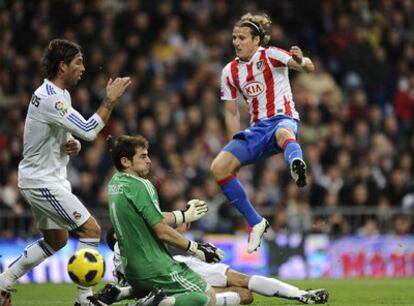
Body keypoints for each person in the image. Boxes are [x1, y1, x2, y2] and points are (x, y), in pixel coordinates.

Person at [0, 38, 131, 306]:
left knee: (57, 240)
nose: (83, 68)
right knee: (91, 230)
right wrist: (109, 100)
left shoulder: (60, 96)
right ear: (62, 66)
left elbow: (67, 134)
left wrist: (70, 143)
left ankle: (5, 281)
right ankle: (84, 300)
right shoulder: (51, 99)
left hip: (44, 178)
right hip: (42, 181)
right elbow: (89, 130)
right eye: (78, 62)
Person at [210, 13, 315, 253]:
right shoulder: (229, 72)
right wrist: (233, 145)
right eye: (234, 37)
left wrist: (301, 60)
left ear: (256, 40)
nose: (236, 42)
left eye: (242, 38)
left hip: (283, 118)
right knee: (218, 167)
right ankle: (256, 222)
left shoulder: (271, 55)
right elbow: (231, 112)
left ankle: (295, 162)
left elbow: (309, 67)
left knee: (283, 132)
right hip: (256, 129)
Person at [106, 134, 225, 306]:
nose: (149, 160)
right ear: (126, 161)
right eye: (143, 156)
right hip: (155, 266)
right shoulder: (141, 185)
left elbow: (148, 217)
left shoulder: (114, 184)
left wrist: (182, 215)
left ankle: (127, 294)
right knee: (208, 298)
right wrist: (195, 248)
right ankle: (156, 303)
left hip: (131, 270)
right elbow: (160, 230)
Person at [88, 227, 329, 306]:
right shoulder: (127, 242)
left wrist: (121, 292)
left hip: (177, 266)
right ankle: (301, 295)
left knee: (245, 291)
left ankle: (301, 294)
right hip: (174, 270)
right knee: (244, 293)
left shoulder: (118, 258)